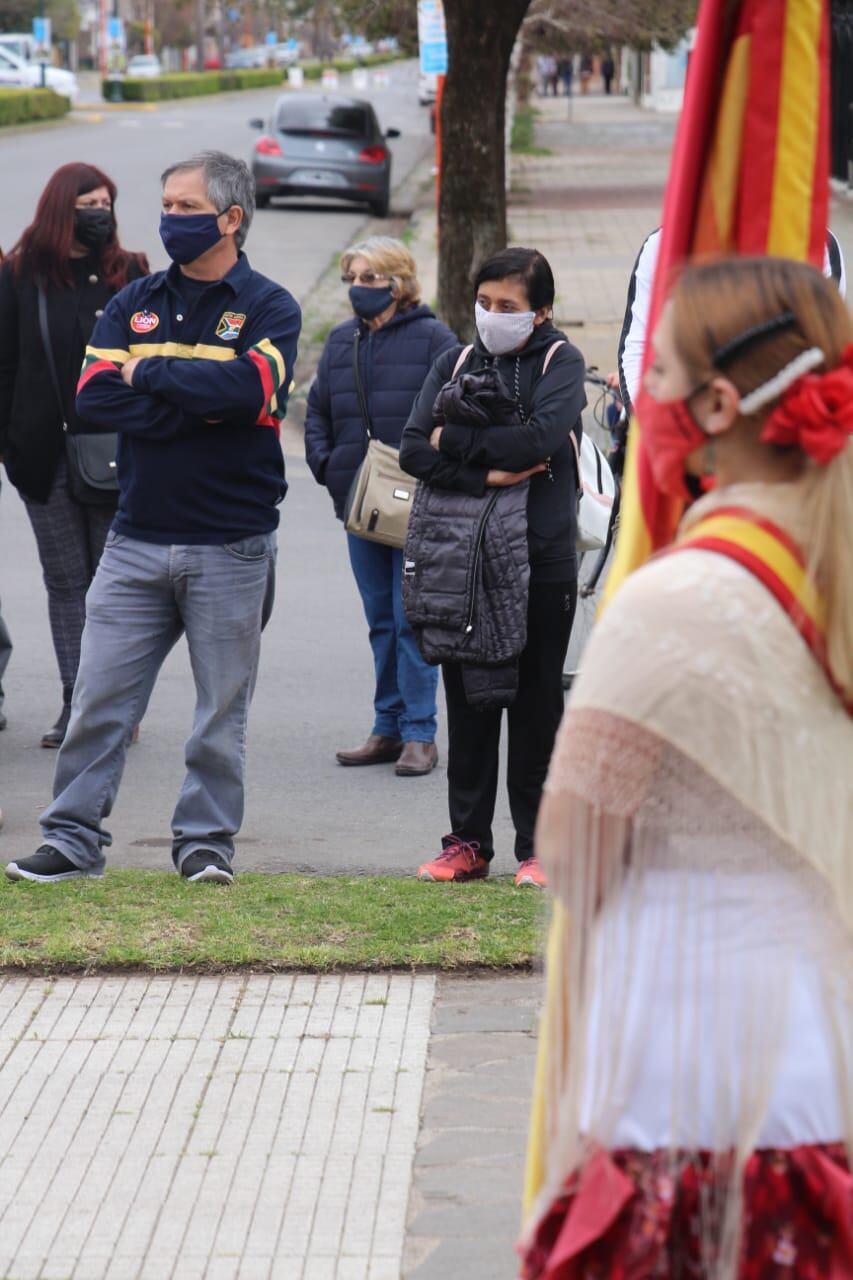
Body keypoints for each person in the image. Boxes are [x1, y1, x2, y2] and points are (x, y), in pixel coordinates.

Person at [520, 256, 852, 1276]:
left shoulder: (676, 598)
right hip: (824, 1055)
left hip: (695, 1069)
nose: (636, 400)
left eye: (651, 375)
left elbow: (573, 848)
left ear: (715, 403)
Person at [4, 151, 301, 886]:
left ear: (231, 218)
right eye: (166, 205)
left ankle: (204, 844)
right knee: (99, 701)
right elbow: (93, 398)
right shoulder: (132, 299)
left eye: (187, 208)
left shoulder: (269, 306)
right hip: (136, 538)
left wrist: (149, 373)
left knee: (218, 711)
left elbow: (249, 391)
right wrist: (196, 402)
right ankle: (72, 840)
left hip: (230, 544)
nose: (169, 219)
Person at [400, 247, 586, 889]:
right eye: (484, 303)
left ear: (541, 312)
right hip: (465, 564)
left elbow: (538, 440)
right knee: (471, 707)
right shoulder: (455, 361)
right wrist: (489, 473)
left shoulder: (561, 363)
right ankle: (467, 844)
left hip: (541, 562)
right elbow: (409, 451)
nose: (491, 316)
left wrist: (448, 439)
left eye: (507, 306)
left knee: (536, 708)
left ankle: (539, 848)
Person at [0, 163, 148, 747]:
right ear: (62, 206)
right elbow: (5, 365)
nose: (99, 210)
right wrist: (11, 446)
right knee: (66, 583)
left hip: (119, 451)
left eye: (106, 200)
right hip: (44, 455)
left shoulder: (131, 272)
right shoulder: (20, 275)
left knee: (114, 585)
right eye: (87, 200)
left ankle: (117, 706)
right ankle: (76, 704)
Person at [304, 237, 456, 776]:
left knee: (411, 618)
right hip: (358, 505)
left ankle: (421, 734)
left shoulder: (435, 338)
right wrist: (327, 466)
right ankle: (387, 728)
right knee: (380, 621)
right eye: (353, 277)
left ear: (399, 283)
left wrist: (432, 468)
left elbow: (456, 415)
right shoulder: (342, 340)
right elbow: (317, 411)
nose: (359, 288)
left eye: (371, 278)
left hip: (418, 502)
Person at [617, 224, 847, 414]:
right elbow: (638, 350)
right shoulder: (663, 246)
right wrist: (649, 427)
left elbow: (823, 353)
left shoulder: (818, 245)